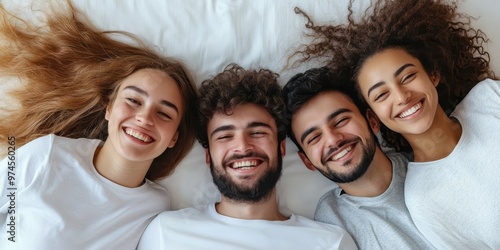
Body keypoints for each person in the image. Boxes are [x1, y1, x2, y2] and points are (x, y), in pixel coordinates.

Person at [293, 0, 500, 249]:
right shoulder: (419, 201)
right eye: (381, 95)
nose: (401, 97)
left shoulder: (488, 98)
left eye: (408, 76)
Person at [0, 1, 197, 249]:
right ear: (109, 109)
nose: (145, 118)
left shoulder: (155, 208)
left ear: (173, 138)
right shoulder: (47, 156)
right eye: (134, 100)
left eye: (164, 113)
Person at [137, 63, 357, 250]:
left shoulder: (331, 243)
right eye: (224, 136)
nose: (242, 147)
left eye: (258, 132)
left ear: (281, 148)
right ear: (208, 156)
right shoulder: (166, 234)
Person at [282, 67, 435, 250]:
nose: (332, 140)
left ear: (372, 121)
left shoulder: (428, 164)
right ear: (307, 161)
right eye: (314, 138)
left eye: (340, 121)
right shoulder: (331, 226)